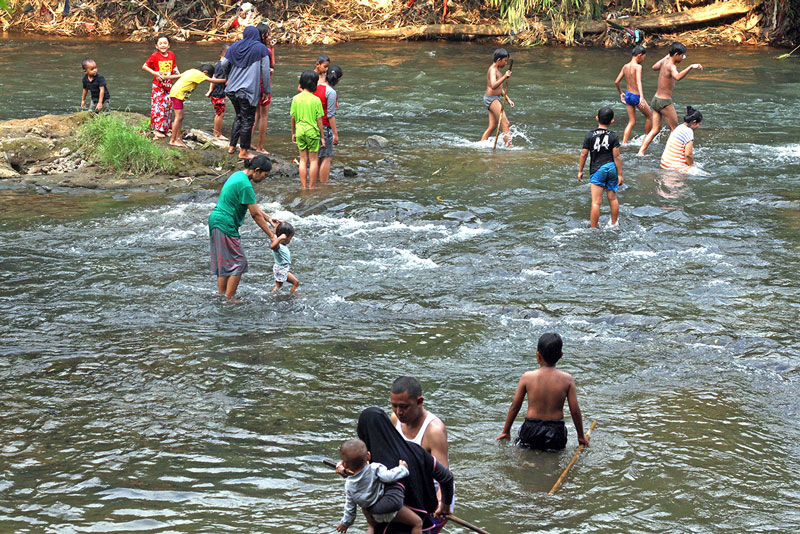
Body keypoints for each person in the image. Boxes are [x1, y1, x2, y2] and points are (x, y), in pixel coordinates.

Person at [338, 408, 453, 534]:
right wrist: (444, 505)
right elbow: (446, 477)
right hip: (421, 526)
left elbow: (359, 478)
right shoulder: (416, 451)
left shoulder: (372, 464)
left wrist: (348, 470)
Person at [496, 333, 588, 451]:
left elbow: (515, 406)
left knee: (525, 456)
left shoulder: (527, 377)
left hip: (531, 428)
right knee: (553, 459)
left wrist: (506, 431)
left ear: (538, 355)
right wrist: (580, 436)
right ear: (560, 355)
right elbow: (574, 411)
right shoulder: (568, 379)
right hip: (556, 430)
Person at [208, 155, 279, 300]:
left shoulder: (238, 175)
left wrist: (269, 218)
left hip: (216, 219)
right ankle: (230, 298)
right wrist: (271, 235)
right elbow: (255, 215)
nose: (265, 178)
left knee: (225, 262)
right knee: (239, 262)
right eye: (265, 175)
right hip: (225, 223)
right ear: (257, 170)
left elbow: (252, 206)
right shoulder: (246, 185)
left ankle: (222, 296)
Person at [389, 377, 451, 533]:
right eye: (394, 406)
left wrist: (441, 504)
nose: (399, 412)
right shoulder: (394, 420)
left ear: (419, 402)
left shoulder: (433, 431)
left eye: (404, 407)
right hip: (406, 487)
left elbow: (444, 475)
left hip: (433, 494)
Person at [336, 439, 422, 534]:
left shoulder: (349, 484)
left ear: (344, 464)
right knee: (417, 523)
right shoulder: (375, 468)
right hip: (390, 511)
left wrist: (345, 523)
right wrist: (402, 468)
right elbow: (389, 476)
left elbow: (350, 508)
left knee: (372, 526)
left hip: (373, 516)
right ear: (368, 456)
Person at [637, 42, 703, 156]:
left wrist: (667, 56)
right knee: (674, 129)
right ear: (676, 54)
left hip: (655, 99)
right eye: (682, 56)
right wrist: (690, 67)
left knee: (655, 129)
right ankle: (670, 154)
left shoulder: (664, 62)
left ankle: (641, 152)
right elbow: (677, 77)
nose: (682, 58)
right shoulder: (672, 66)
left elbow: (654, 67)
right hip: (664, 102)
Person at [217, 25, 271, 159]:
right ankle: (244, 152)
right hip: (247, 90)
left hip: (231, 89)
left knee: (239, 116)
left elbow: (224, 64)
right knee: (248, 119)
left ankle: (231, 147)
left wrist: (229, 76)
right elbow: (265, 71)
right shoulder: (261, 48)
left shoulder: (234, 46)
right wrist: (266, 90)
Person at [577, 106, 623, 228]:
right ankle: (614, 223)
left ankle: (593, 228)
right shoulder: (613, 135)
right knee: (613, 199)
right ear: (612, 121)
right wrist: (619, 174)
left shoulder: (590, 135)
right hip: (611, 168)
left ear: (597, 118)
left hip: (597, 169)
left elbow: (584, 154)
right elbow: (617, 156)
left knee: (596, 202)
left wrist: (580, 170)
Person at [168, 64, 227, 148]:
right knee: (179, 117)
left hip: (175, 93)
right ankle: (173, 140)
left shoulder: (191, 70)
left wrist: (165, 77)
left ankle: (177, 137)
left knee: (180, 117)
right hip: (177, 94)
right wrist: (227, 80)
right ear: (205, 72)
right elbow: (212, 80)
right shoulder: (199, 74)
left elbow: (177, 76)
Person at [290, 70, 325, 189]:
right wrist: (322, 136)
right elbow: (319, 120)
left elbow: (293, 118)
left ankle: (303, 186)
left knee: (303, 160)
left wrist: (293, 133)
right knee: (313, 160)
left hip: (300, 131)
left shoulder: (295, 98)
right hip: (312, 132)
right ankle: (312, 187)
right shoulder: (316, 100)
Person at [142, 34, 180, 139]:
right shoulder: (155, 56)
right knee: (159, 107)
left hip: (168, 85)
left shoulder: (171, 54)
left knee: (167, 107)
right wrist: (155, 73)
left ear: (169, 45)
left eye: (165, 43)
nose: (163, 45)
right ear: (157, 46)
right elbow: (144, 66)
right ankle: (157, 130)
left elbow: (174, 67)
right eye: (160, 43)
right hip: (158, 86)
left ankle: (165, 129)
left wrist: (178, 74)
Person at [613, 45, 652, 144]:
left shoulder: (625, 66)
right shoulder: (638, 67)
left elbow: (616, 82)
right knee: (650, 117)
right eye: (643, 57)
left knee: (631, 122)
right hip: (636, 96)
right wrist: (642, 97)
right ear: (639, 55)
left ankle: (624, 143)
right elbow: (639, 82)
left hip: (628, 95)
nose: (643, 59)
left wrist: (621, 93)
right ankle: (646, 140)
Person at [479, 48, 515, 147]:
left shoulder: (497, 70)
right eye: (505, 61)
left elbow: (500, 89)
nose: (505, 63)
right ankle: (509, 147)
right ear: (498, 60)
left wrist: (508, 99)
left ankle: (480, 145)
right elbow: (493, 85)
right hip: (492, 99)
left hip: (495, 98)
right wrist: (505, 77)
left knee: (493, 126)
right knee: (506, 123)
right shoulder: (492, 70)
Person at [315, 65, 343, 184]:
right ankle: (323, 185)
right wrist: (335, 134)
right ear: (338, 80)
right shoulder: (331, 92)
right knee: (327, 157)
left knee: (316, 157)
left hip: (314, 125)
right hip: (325, 127)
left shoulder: (316, 87)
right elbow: (330, 115)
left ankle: (314, 182)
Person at [251, 23, 276, 154]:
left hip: (254, 85)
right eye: (268, 34)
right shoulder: (266, 51)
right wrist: (272, 49)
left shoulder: (253, 49)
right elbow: (272, 65)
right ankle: (260, 146)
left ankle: (249, 142)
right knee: (264, 116)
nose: (269, 36)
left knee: (255, 114)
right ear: (263, 35)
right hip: (264, 85)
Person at [660, 106, 703, 172]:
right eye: (699, 124)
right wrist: (692, 166)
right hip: (674, 168)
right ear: (694, 122)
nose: (698, 127)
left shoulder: (679, 127)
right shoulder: (688, 131)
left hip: (664, 165)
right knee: (707, 175)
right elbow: (688, 154)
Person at [206, 44, 230, 140]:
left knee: (219, 112)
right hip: (218, 93)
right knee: (220, 113)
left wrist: (210, 91)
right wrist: (210, 90)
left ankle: (216, 132)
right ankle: (217, 134)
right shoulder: (221, 66)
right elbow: (214, 79)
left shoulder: (220, 65)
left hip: (218, 92)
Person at [270, 221, 299, 294]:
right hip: (282, 269)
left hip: (278, 268)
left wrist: (276, 226)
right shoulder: (278, 246)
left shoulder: (276, 241)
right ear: (285, 237)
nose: (290, 240)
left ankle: (272, 294)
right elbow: (272, 246)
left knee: (279, 285)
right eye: (290, 238)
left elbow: (273, 234)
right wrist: (280, 238)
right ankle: (292, 295)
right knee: (295, 282)